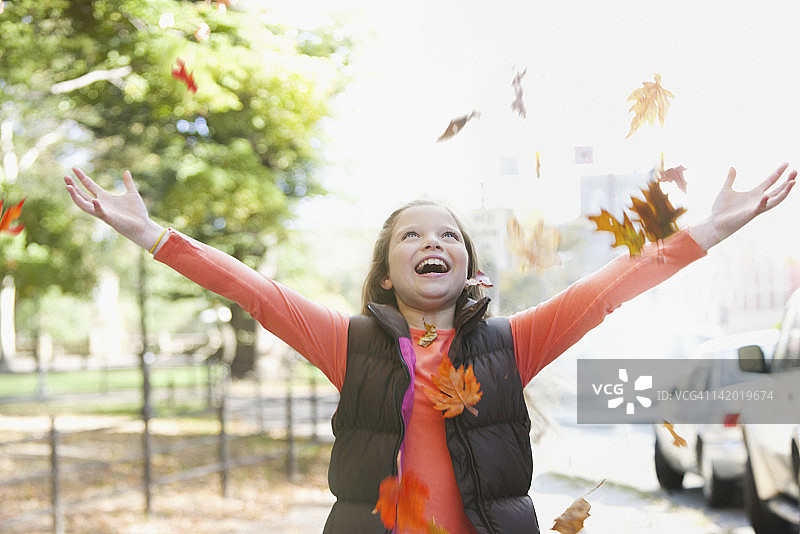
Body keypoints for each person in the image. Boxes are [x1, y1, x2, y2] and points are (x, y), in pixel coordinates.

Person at [65, 163, 795, 533]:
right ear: (388, 270)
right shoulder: (346, 342)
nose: (431, 242)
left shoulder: (516, 341)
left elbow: (612, 284)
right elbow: (253, 289)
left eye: (447, 233)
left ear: (468, 267)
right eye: (412, 233)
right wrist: (149, 234)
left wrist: (710, 231)